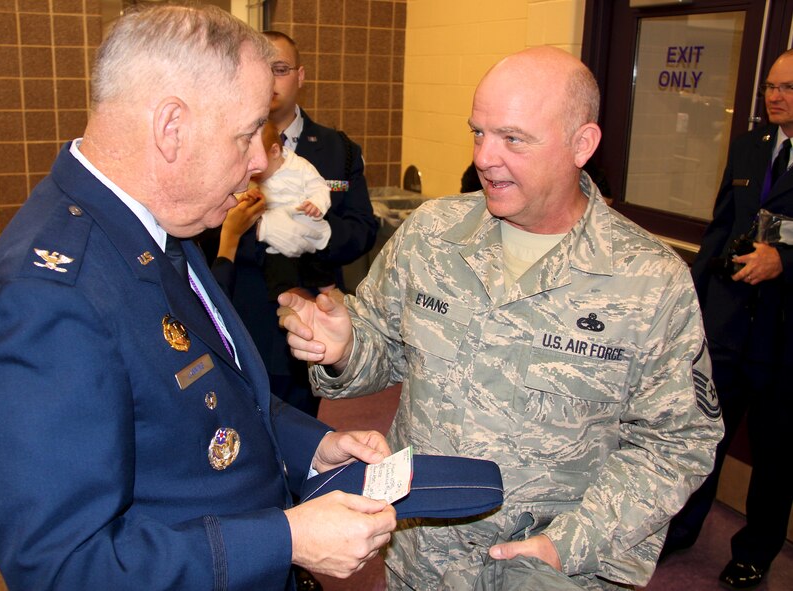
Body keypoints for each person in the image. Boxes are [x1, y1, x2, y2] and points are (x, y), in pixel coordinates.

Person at [0, 6, 396, 591]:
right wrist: (286, 539)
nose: (260, 160)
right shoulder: (49, 298)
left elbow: (217, 390)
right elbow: (63, 567)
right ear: (171, 127)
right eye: (248, 131)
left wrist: (316, 445)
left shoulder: (156, 227)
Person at [278, 47, 723, 590]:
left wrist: (568, 545)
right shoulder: (432, 235)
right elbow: (383, 350)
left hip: (553, 569)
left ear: (582, 144)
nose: (486, 157)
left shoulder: (649, 280)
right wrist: (347, 347)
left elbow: (677, 441)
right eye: (478, 133)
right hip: (423, 557)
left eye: (513, 138)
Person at [663, 49, 793, 589]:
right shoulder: (749, 147)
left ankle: (755, 552)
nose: (775, 95)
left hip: (784, 337)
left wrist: (786, 260)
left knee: (776, 453)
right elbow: (720, 227)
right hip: (730, 325)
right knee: (702, 437)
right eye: (770, 86)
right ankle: (681, 531)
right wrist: (692, 300)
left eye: (787, 88)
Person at [215, 30, 378, 418]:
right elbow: (205, 230)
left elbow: (362, 228)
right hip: (249, 313)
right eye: (262, 69)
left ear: (300, 76)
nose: (272, 79)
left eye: (281, 69)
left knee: (305, 428)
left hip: (315, 321)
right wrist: (265, 231)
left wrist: (317, 237)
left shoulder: (338, 148)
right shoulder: (223, 144)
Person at [252, 120, 337, 299]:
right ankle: (289, 301)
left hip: (307, 228)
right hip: (277, 239)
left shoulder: (299, 166)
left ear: (275, 151)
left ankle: (329, 294)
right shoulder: (255, 177)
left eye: (257, 159)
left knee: (319, 268)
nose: (253, 167)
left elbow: (319, 187)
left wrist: (316, 203)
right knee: (277, 271)